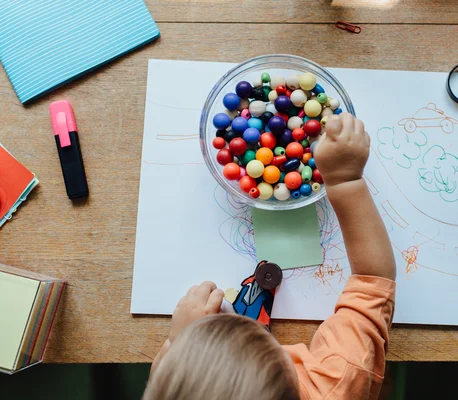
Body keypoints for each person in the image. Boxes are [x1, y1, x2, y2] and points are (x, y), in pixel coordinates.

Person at [143, 113, 397, 400]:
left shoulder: (179, 385)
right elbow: (373, 282)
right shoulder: (334, 387)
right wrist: (344, 180)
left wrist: (182, 343)